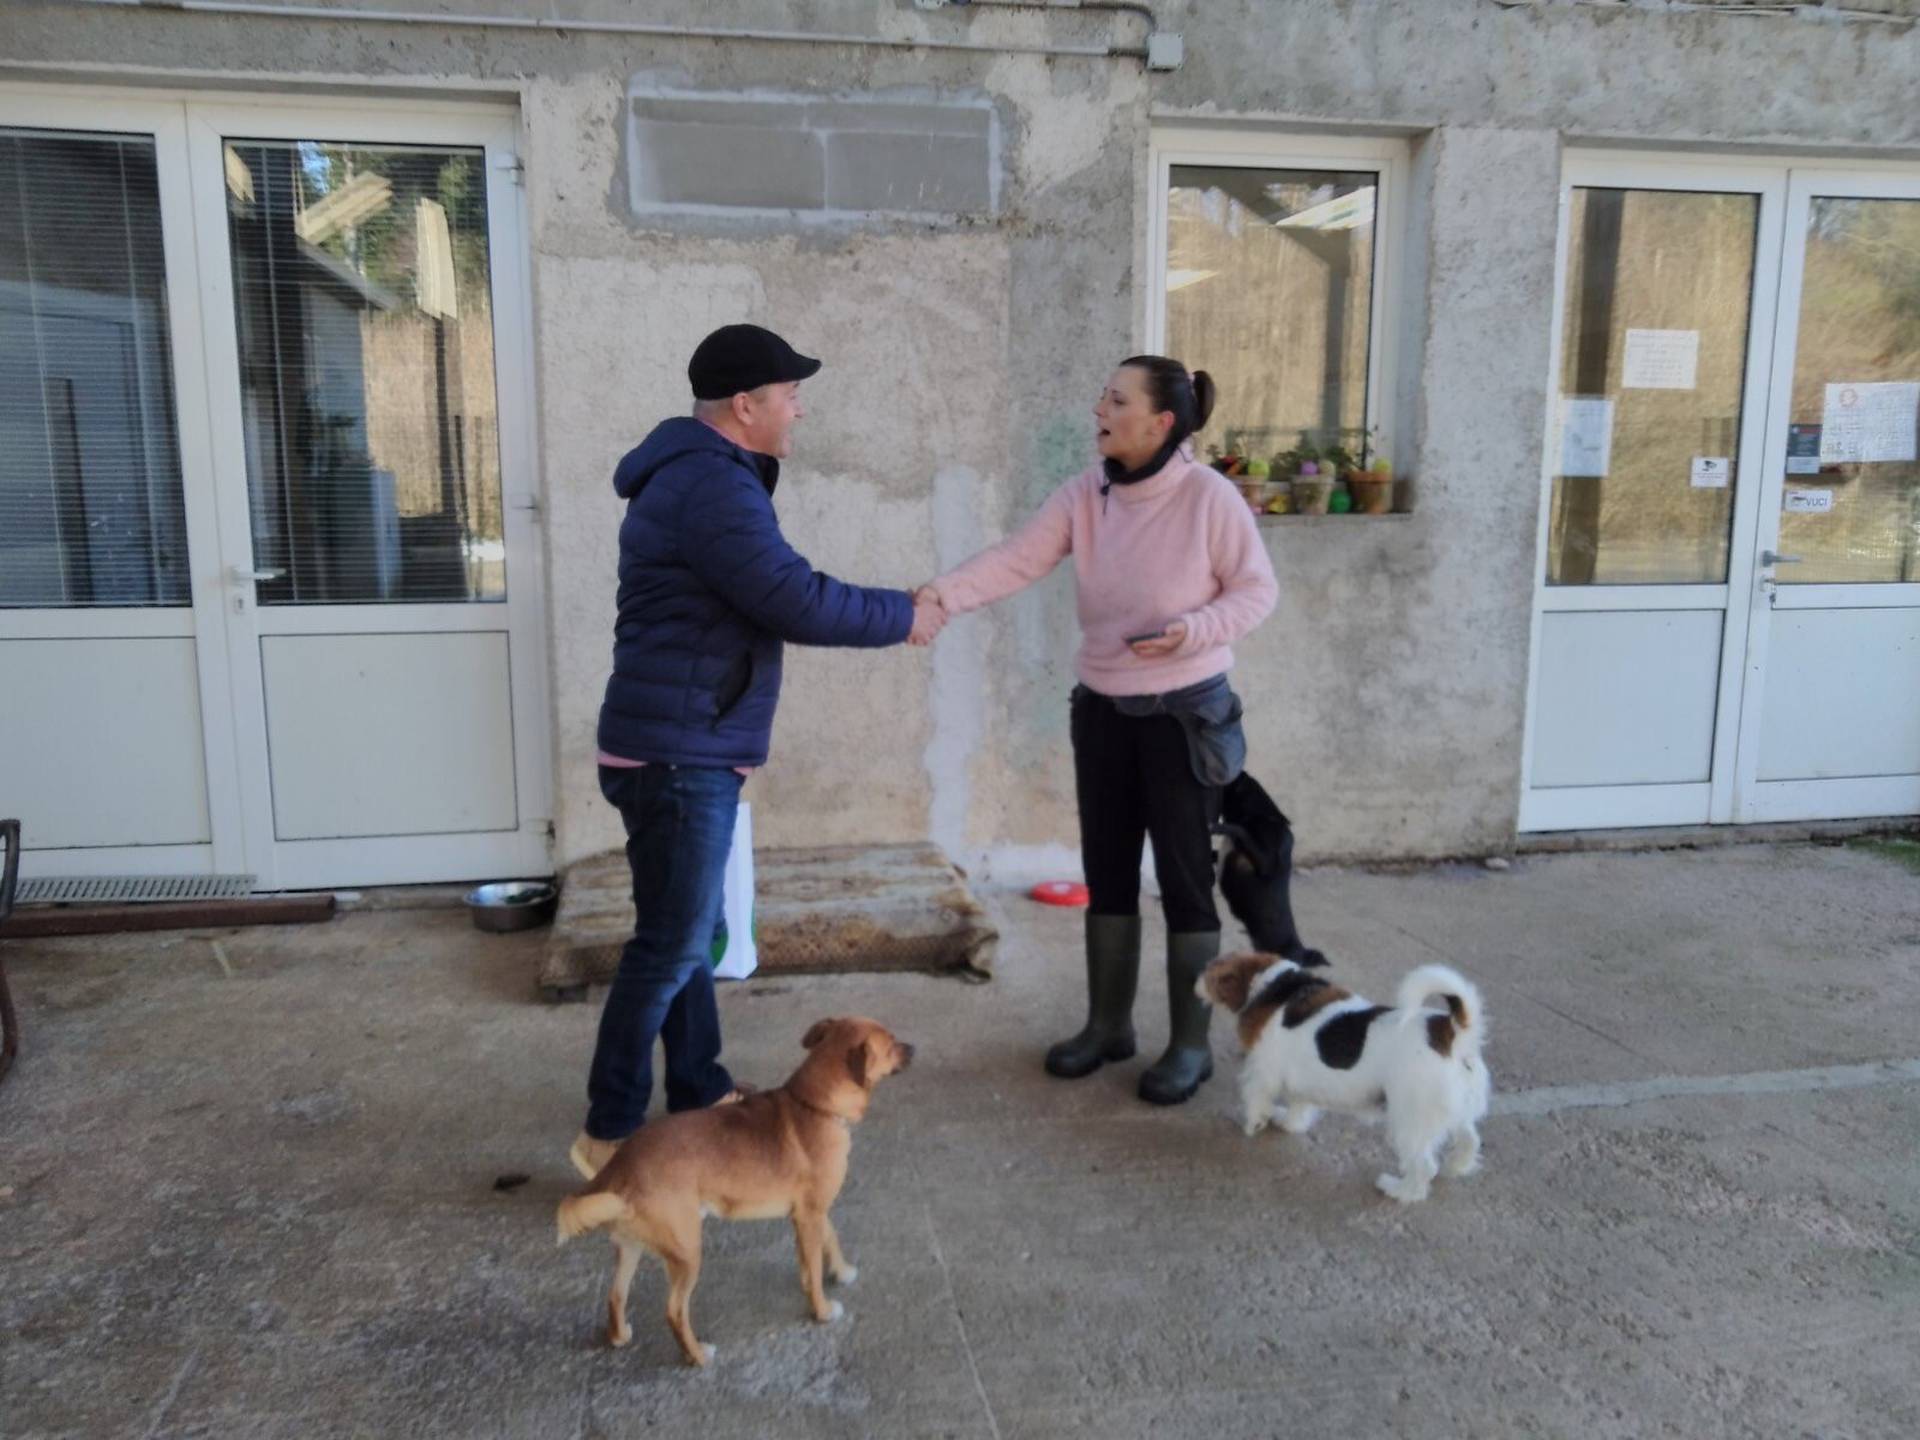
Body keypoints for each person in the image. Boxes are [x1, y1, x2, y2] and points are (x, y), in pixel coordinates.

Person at [572, 324, 945, 1179]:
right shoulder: (711, 484)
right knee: (669, 946)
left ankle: (698, 1088)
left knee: (690, 933)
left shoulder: (702, 474)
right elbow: (792, 597)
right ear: (746, 406)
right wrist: (903, 616)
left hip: (675, 742)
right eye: (790, 395)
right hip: (678, 754)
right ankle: (609, 1133)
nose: (799, 410)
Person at [924, 356, 1277, 1105]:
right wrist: (940, 596)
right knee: (1108, 873)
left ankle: (1191, 1047)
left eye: (1117, 401)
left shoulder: (1209, 497)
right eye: (1103, 397)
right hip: (1104, 712)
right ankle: (1108, 1026)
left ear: (1161, 423)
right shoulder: (1087, 494)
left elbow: (1256, 591)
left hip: (1185, 716)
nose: (1100, 410)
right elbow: (1017, 560)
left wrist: (1192, 630)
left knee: (1184, 880)